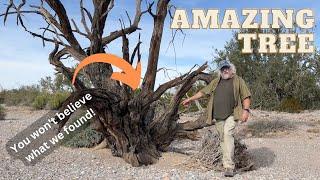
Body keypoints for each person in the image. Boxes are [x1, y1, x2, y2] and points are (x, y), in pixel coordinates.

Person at [182, 59, 251, 177]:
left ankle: (229, 167)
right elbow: (203, 92)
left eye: (227, 68)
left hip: (232, 114)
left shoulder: (238, 80)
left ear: (231, 69)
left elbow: (246, 96)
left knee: (228, 133)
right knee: (223, 139)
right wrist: (190, 99)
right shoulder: (216, 81)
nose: (225, 70)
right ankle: (226, 163)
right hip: (218, 116)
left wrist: (246, 111)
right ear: (220, 71)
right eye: (222, 69)